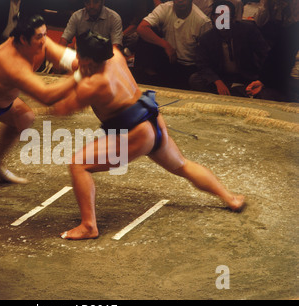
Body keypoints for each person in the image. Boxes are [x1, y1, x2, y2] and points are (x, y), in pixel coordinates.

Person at [52, 31, 245, 240]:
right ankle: (230, 198)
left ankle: (89, 226)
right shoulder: (115, 54)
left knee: (79, 164)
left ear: (87, 60)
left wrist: (72, 79)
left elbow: (62, 109)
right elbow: (78, 63)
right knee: (181, 165)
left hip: (134, 133)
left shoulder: (94, 84)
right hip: (152, 118)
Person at [0, 14, 79, 184]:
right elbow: (46, 96)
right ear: (24, 40)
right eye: (39, 37)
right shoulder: (12, 62)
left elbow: (65, 57)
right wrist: (79, 77)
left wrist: (84, 64)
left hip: (2, 100)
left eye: (45, 34)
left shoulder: (39, 42)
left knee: (25, 118)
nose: (44, 40)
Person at [189, 1, 278, 99]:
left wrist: (261, 80)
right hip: (222, 77)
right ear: (213, 18)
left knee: (266, 93)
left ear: (233, 18)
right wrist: (217, 81)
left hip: (247, 77)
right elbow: (203, 64)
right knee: (195, 79)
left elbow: (265, 53)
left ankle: (238, 91)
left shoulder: (248, 30)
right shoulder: (206, 38)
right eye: (218, 16)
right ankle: (235, 92)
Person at [135, 0, 212, 89]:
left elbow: (207, 56)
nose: (180, 1)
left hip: (189, 66)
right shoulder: (165, 8)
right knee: (146, 35)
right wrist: (166, 45)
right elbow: (141, 28)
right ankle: (149, 79)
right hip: (169, 58)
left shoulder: (202, 21)